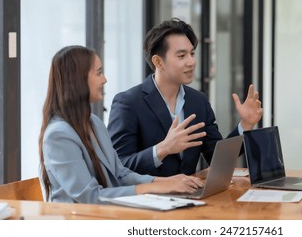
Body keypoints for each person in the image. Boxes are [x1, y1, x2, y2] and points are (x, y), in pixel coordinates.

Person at [38, 45, 203, 204]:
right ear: (77, 80)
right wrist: (153, 188)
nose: (104, 79)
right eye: (99, 73)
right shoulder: (58, 135)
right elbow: (90, 197)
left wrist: (163, 182)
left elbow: (120, 174)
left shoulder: (94, 123)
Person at [107, 18, 263, 176]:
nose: (192, 62)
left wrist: (245, 125)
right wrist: (162, 149)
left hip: (190, 196)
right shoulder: (128, 103)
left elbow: (217, 157)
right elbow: (117, 167)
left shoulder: (198, 101)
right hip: (146, 197)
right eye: (182, 56)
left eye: (192, 54)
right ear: (158, 62)